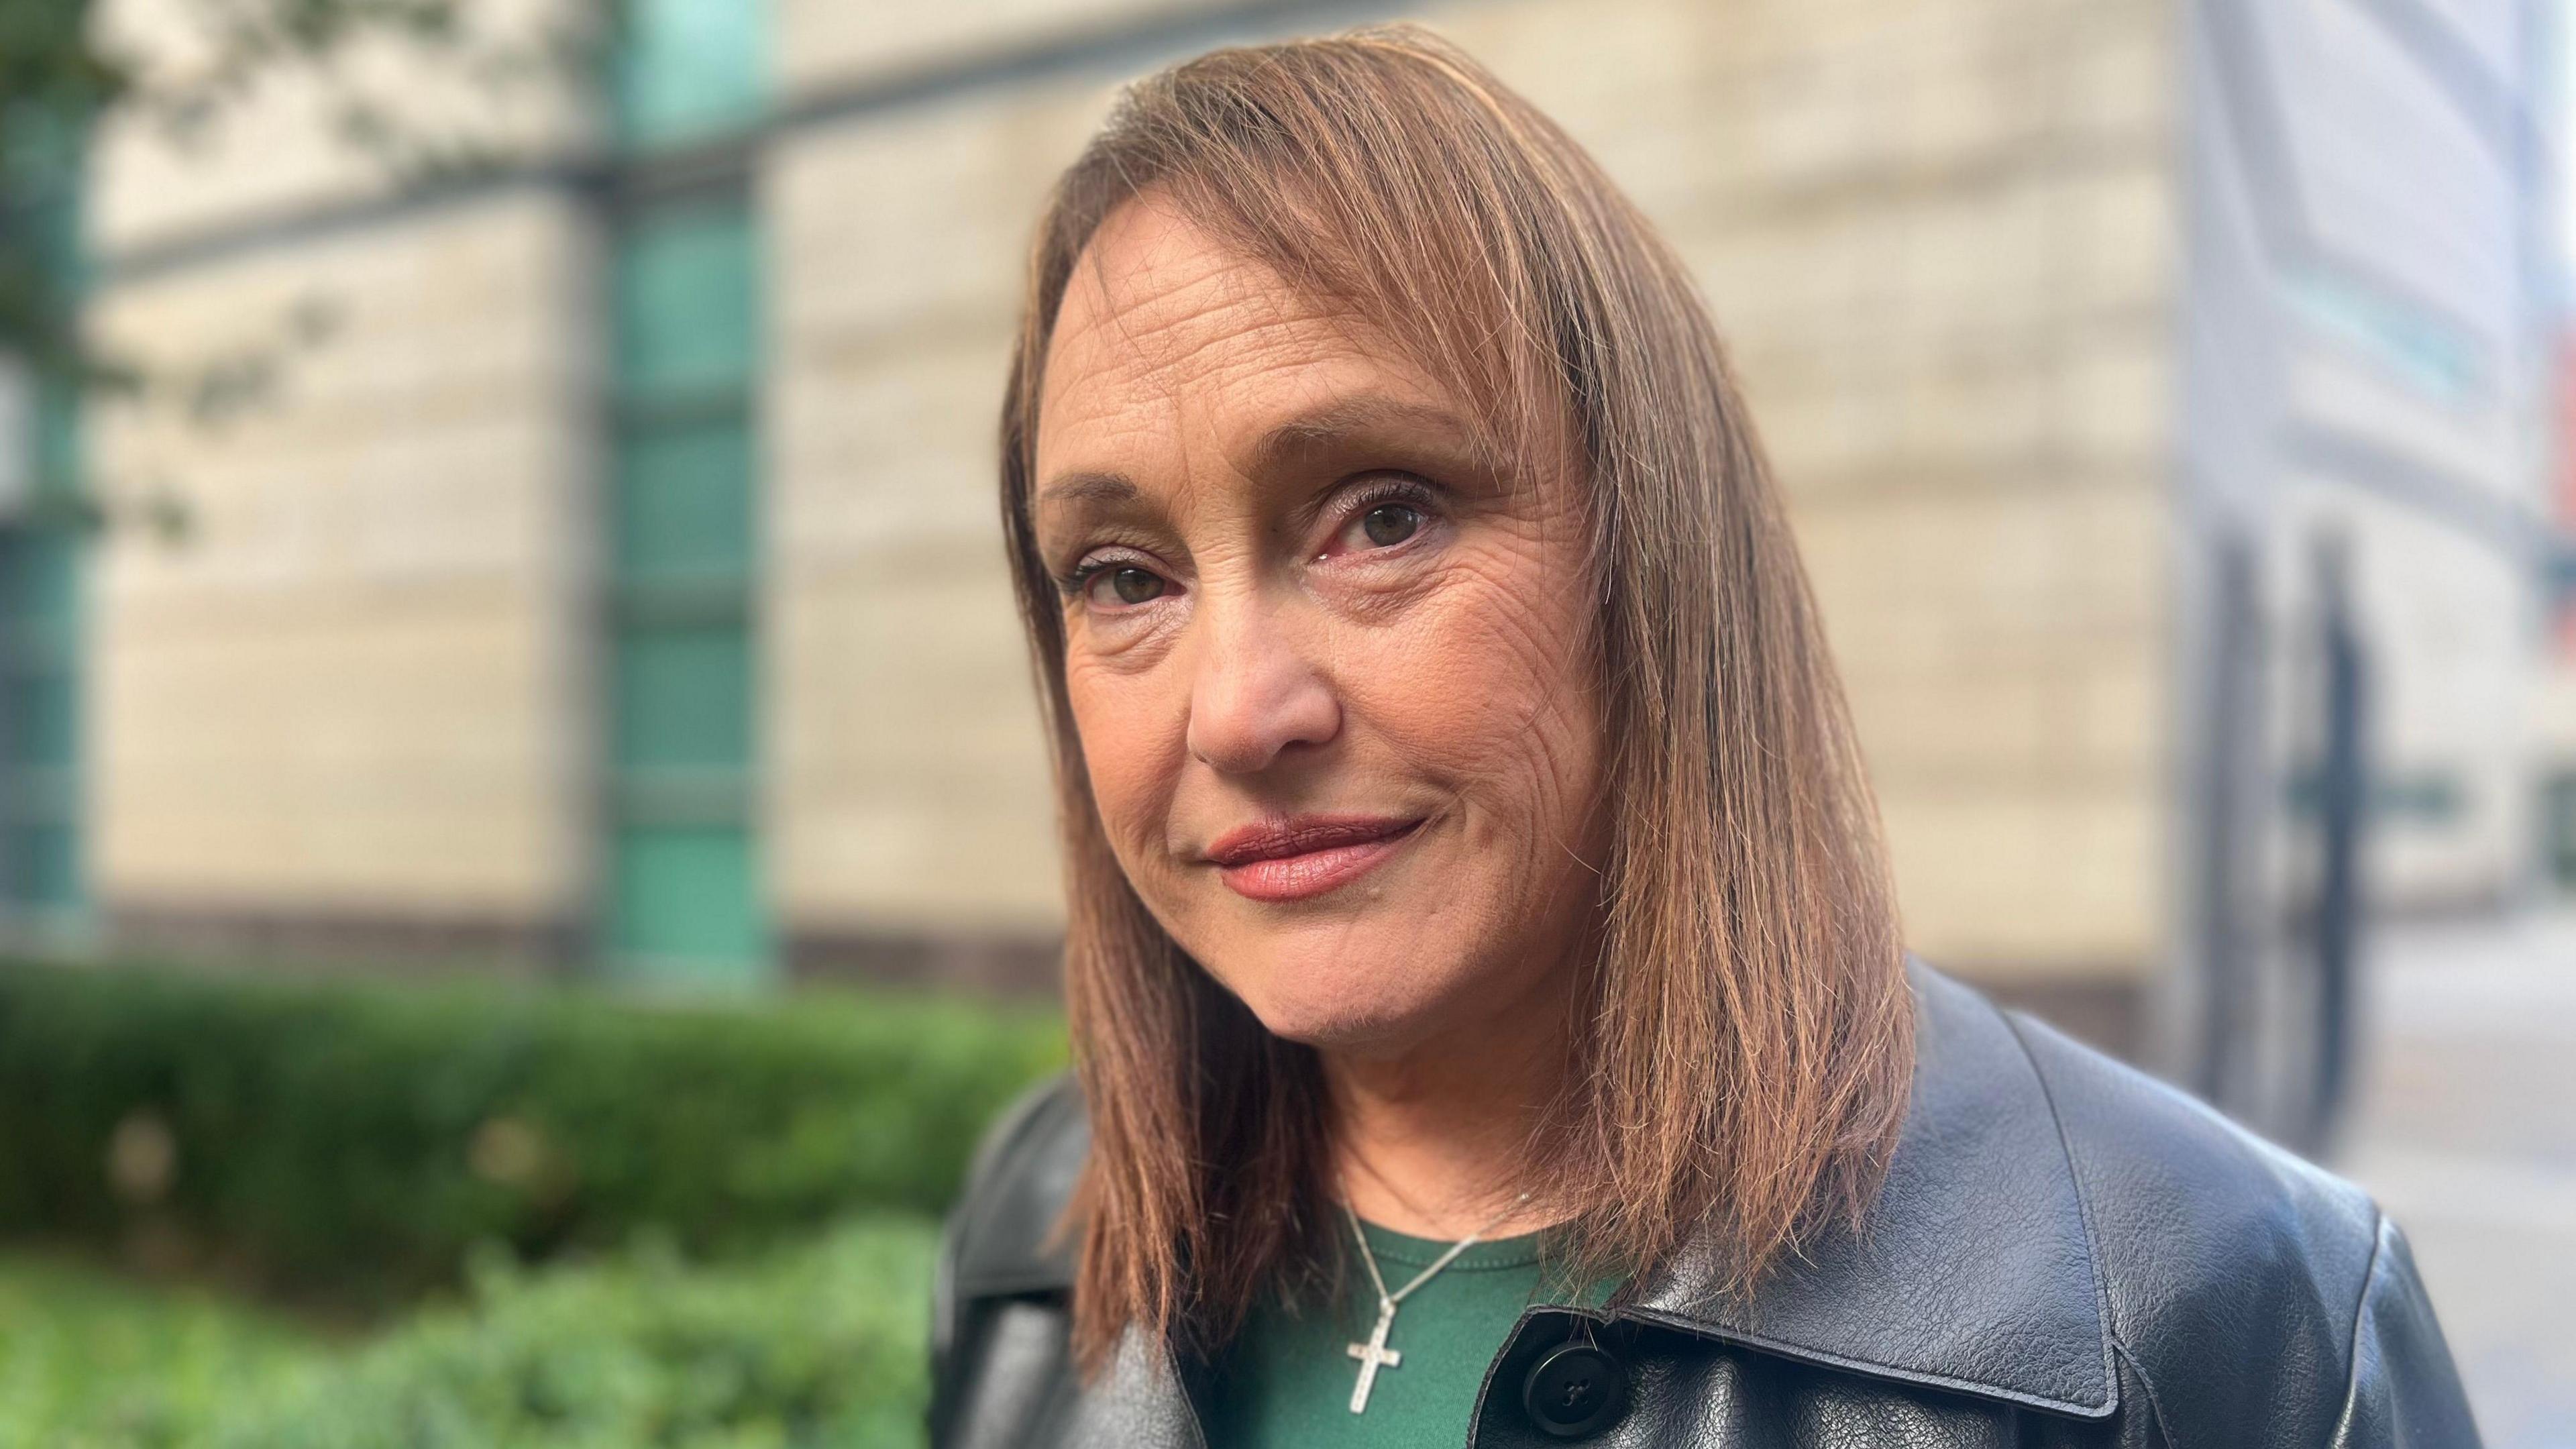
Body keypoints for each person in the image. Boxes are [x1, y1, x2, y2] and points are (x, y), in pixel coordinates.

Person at [930, 24, 2478, 1448]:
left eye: (1381, 520)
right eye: (1124, 578)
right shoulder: (1038, 1220)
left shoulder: (2229, 1311)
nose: (1237, 710)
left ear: (1653, 562)